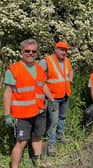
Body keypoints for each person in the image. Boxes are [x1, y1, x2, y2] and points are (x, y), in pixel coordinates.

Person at [3, 39, 54, 168]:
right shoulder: (13, 70)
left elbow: (42, 86)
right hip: (22, 115)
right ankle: (14, 166)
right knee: (21, 142)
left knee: (38, 136)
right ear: (22, 52)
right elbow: (7, 93)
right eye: (27, 51)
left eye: (34, 51)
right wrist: (7, 114)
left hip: (39, 111)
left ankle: (38, 162)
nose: (30, 53)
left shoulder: (39, 68)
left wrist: (52, 99)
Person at [39, 42, 73, 156]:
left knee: (62, 117)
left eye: (65, 50)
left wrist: (70, 79)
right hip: (53, 97)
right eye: (62, 50)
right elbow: (38, 78)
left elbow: (70, 71)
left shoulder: (67, 60)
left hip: (65, 94)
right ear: (55, 49)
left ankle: (60, 136)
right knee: (53, 121)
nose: (64, 52)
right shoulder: (46, 61)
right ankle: (51, 144)